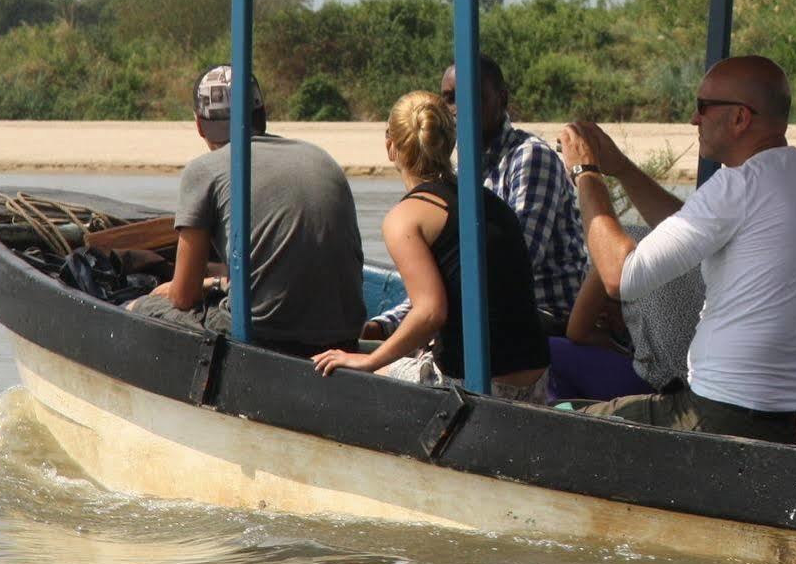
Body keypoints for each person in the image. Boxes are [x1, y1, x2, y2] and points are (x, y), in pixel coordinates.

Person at [555, 56, 796, 444]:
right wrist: (622, 168)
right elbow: (687, 224)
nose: (693, 119)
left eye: (703, 107)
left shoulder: (738, 185)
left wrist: (585, 174)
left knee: (558, 421)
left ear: (739, 118)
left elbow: (620, 277)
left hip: (722, 413)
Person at [311, 91, 548, 397]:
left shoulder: (404, 219)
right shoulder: (486, 200)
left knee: (354, 367)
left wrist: (368, 361)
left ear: (389, 145)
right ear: (449, 142)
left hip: (478, 387)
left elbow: (431, 312)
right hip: (536, 379)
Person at [128, 65, 366, 356]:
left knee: (141, 307)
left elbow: (184, 297)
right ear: (262, 113)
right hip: (344, 337)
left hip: (265, 337)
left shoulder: (204, 171)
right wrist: (215, 282)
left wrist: (172, 290)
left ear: (200, 126)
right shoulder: (321, 157)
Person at [367, 56, 587, 338]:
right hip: (492, 312)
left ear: (502, 99)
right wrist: (384, 325)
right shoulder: (461, 171)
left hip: (545, 317)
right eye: (449, 99)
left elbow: (515, 265)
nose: (458, 109)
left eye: (473, 97)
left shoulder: (529, 157)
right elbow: (446, 275)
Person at [540, 223, 704, 402]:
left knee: (551, 349)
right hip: (704, 374)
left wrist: (612, 345)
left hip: (665, 384)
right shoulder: (679, 240)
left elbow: (576, 332)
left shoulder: (614, 246)